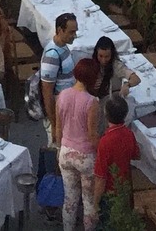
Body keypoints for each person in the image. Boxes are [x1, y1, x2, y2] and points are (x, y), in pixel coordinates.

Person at [54, 57, 103, 231]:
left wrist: (59, 149)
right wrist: (102, 153)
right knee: (89, 201)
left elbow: (58, 128)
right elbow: (92, 134)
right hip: (85, 156)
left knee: (70, 199)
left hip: (66, 151)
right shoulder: (92, 102)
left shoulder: (62, 95)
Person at [93, 93, 139, 208]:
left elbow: (100, 177)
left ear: (106, 115)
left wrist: (95, 203)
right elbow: (136, 155)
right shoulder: (129, 134)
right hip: (125, 187)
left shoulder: (105, 141)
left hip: (110, 191)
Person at [89, 35, 140, 100]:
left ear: (112, 55)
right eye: (100, 56)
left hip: (111, 99)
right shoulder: (91, 64)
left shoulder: (116, 65)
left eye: (107, 56)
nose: (103, 60)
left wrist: (127, 84)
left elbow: (136, 79)